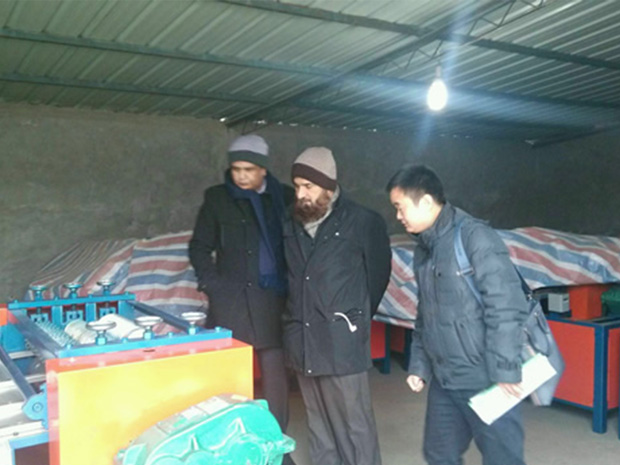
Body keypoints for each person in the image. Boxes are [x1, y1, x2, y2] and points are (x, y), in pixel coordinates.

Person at [386, 164, 529, 465]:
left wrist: (506, 370)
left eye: (400, 207)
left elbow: (506, 305)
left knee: (502, 458)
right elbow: (426, 313)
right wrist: (419, 366)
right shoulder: (425, 247)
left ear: (426, 201)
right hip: (445, 379)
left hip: (487, 377)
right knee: (439, 455)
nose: (398, 216)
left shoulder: (475, 237)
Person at [189, 134, 295, 464]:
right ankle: (231, 447)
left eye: (249, 169)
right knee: (229, 377)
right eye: (236, 169)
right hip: (231, 300)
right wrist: (212, 284)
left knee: (276, 379)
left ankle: (275, 448)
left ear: (263, 169)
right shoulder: (217, 198)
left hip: (272, 300)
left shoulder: (284, 198)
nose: (242, 176)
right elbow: (199, 247)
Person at [282, 147, 391, 465]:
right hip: (303, 336)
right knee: (318, 422)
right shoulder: (289, 222)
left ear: (328, 186)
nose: (301, 194)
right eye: (297, 186)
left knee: (355, 424)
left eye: (308, 186)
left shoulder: (363, 221)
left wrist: (352, 318)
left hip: (342, 337)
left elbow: (377, 277)